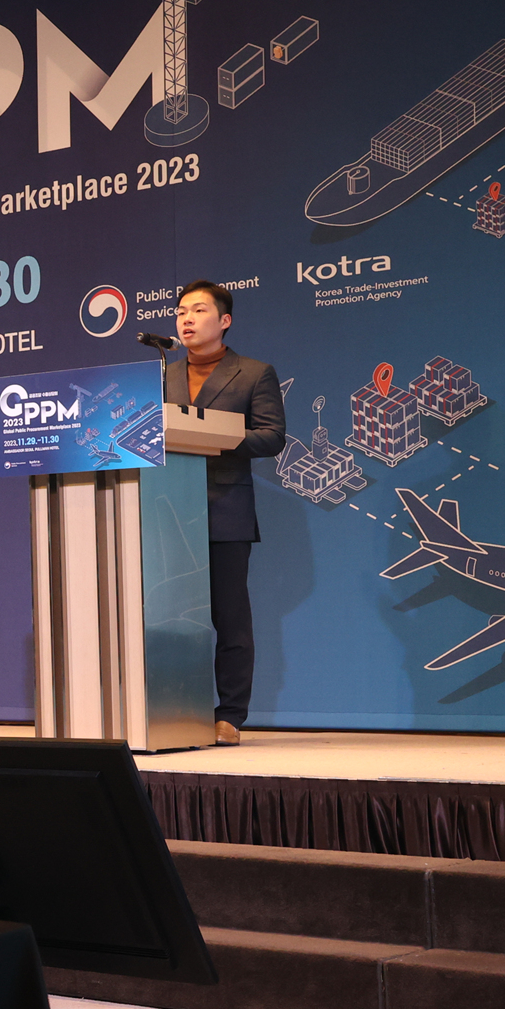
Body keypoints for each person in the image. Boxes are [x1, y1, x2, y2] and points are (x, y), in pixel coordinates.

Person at [168, 281, 285, 745]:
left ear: (224, 320)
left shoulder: (253, 373)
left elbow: (272, 436)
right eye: (181, 311)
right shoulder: (162, 375)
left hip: (225, 510)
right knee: (170, 618)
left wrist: (214, 435)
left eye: (198, 310)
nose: (187, 319)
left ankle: (230, 715)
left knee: (229, 618)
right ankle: (174, 708)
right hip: (166, 510)